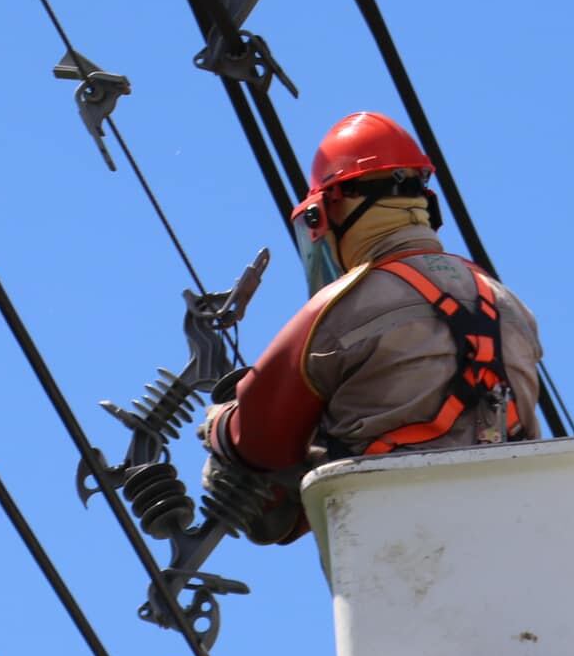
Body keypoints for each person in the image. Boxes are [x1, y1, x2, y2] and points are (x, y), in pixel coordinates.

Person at [199, 111, 546, 544]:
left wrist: (218, 422)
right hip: (508, 533)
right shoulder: (508, 305)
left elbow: (257, 440)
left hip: (393, 540)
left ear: (331, 209)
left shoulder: (340, 306)